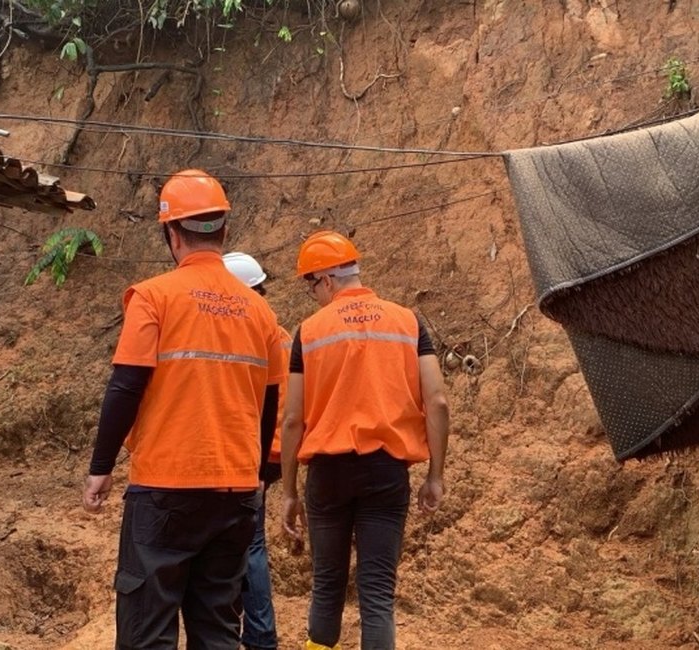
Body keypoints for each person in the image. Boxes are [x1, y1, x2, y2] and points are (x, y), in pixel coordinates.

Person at [82, 170, 285, 650]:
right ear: (225, 233)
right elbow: (270, 400)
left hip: (164, 490)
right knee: (216, 628)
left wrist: (100, 468)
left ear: (171, 233)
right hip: (235, 491)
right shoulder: (261, 314)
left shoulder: (154, 297)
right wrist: (258, 471)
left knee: (147, 630)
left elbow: (126, 384)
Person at [280, 231, 450, 650]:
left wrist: (288, 493)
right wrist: (435, 476)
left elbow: (292, 420)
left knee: (326, 588)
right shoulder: (407, 321)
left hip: (327, 474)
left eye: (311, 285)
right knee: (377, 597)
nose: (313, 295)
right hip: (385, 471)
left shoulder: (310, 331)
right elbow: (439, 402)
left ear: (325, 279)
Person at [223, 251, 290, 650]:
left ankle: (258, 635)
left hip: (253, 454)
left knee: (246, 545)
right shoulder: (278, 334)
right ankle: (251, 632)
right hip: (274, 452)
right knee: (247, 542)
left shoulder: (246, 338)